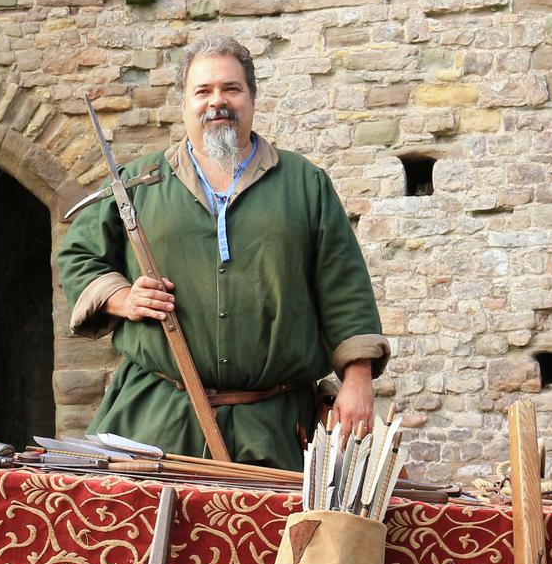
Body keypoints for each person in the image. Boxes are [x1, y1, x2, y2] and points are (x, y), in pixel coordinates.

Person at [55, 36, 389, 467]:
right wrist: (124, 298)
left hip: (276, 428)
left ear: (251, 97)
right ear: (184, 104)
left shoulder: (305, 184)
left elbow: (343, 284)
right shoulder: (137, 182)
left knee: (272, 536)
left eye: (231, 89)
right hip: (156, 420)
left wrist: (358, 379)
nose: (218, 102)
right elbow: (79, 256)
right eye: (203, 91)